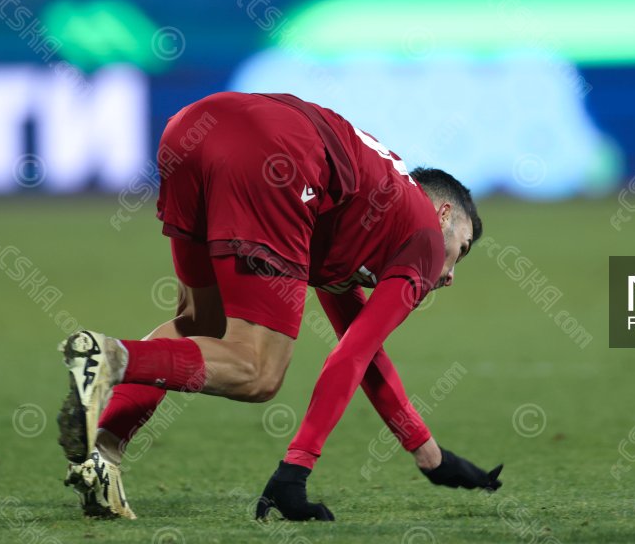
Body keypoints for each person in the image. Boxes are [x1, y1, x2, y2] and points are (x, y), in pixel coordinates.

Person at [56, 91, 501, 520]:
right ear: (443, 214)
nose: (449, 275)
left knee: (198, 325)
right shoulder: (424, 241)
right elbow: (351, 355)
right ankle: (110, 358)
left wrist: (429, 454)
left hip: (194, 129)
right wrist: (296, 470)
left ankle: (103, 455)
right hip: (277, 154)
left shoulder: (371, 216)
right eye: (461, 250)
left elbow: (361, 353)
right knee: (258, 372)